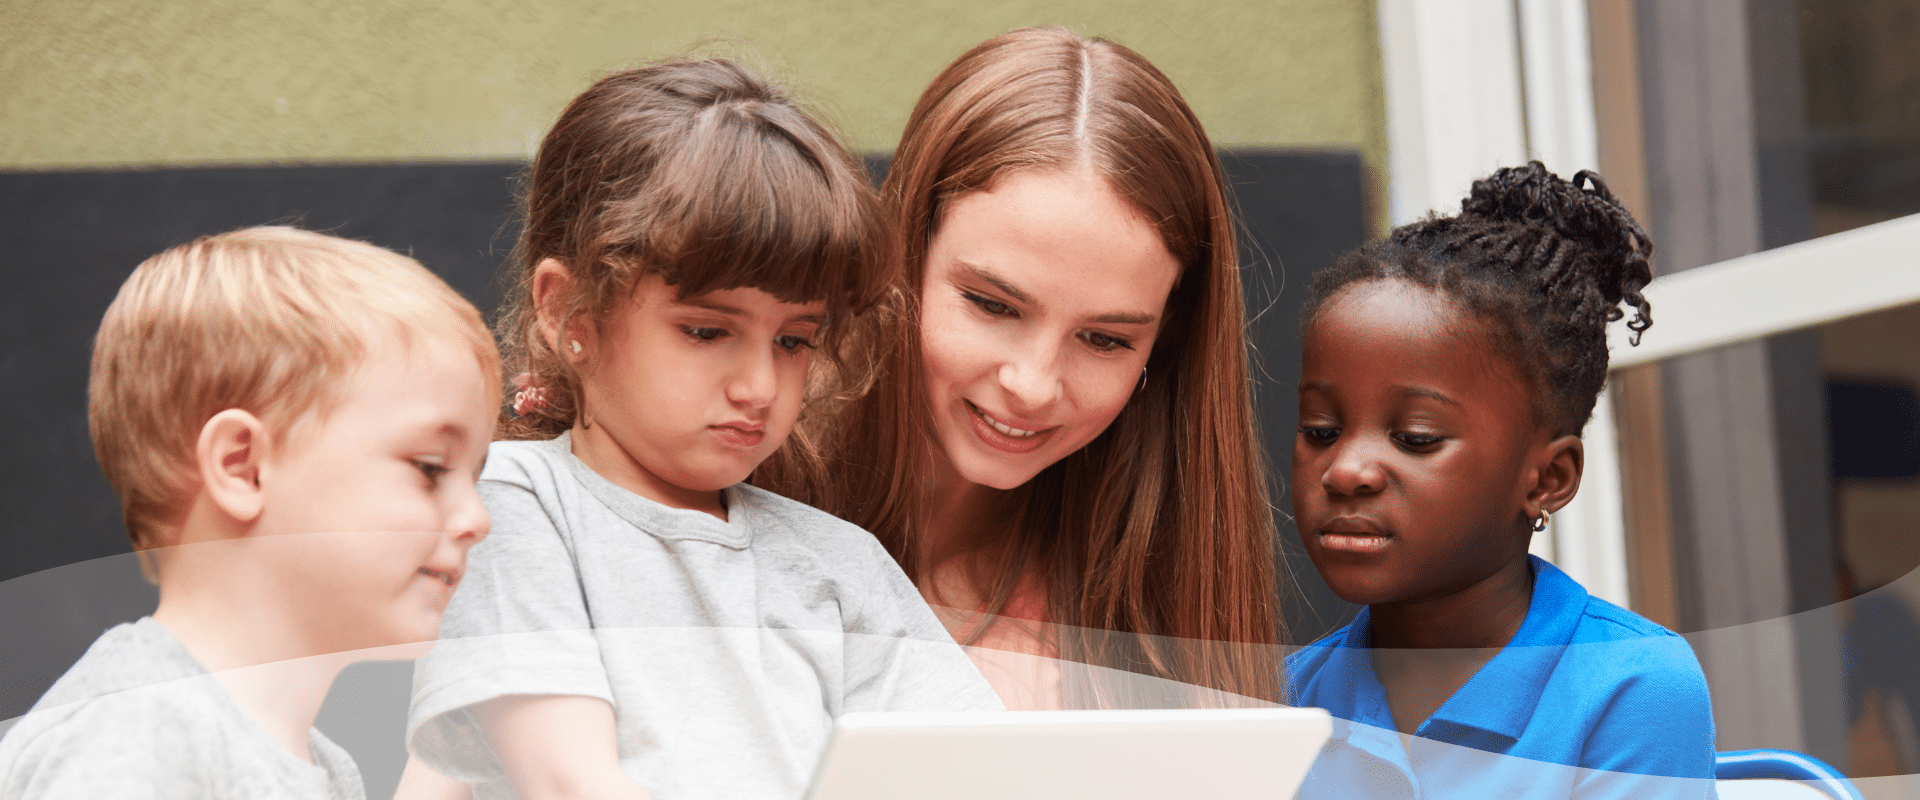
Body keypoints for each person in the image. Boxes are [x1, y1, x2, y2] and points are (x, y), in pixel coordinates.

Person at [402, 59, 1001, 800]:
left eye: (793, 340)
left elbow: (975, 771)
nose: (757, 387)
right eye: (707, 331)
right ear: (568, 313)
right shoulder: (512, 509)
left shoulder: (841, 565)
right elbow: (568, 780)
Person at [756, 26, 1283, 710]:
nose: (1032, 385)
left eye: (1103, 340)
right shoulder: (724, 476)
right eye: (992, 305)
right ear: (904, 255)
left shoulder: (1146, 600)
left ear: (1166, 345)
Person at [0, 226, 499, 799]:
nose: (476, 518)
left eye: (476, 476)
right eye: (431, 468)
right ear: (242, 467)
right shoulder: (138, 735)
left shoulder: (326, 768)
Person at [1284, 162, 1716, 797]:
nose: (1346, 471)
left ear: (1548, 479)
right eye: (1321, 429)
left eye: (1416, 439)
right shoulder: (1286, 701)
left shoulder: (1628, 685)